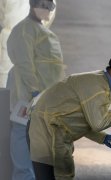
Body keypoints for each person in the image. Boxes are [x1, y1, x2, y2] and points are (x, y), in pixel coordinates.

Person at [28, 50, 111, 180]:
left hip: (49, 129)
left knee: (61, 175)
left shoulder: (99, 81)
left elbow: (78, 119)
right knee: (60, 176)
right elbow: (98, 123)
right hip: (48, 131)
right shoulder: (98, 88)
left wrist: (103, 138)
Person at [6, 0, 65, 179]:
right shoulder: (24, 30)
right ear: (33, 6)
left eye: (51, 7)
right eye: (45, 6)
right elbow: (25, 64)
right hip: (27, 95)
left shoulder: (40, 29)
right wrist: (35, 91)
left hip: (43, 95)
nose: (48, 10)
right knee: (22, 137)